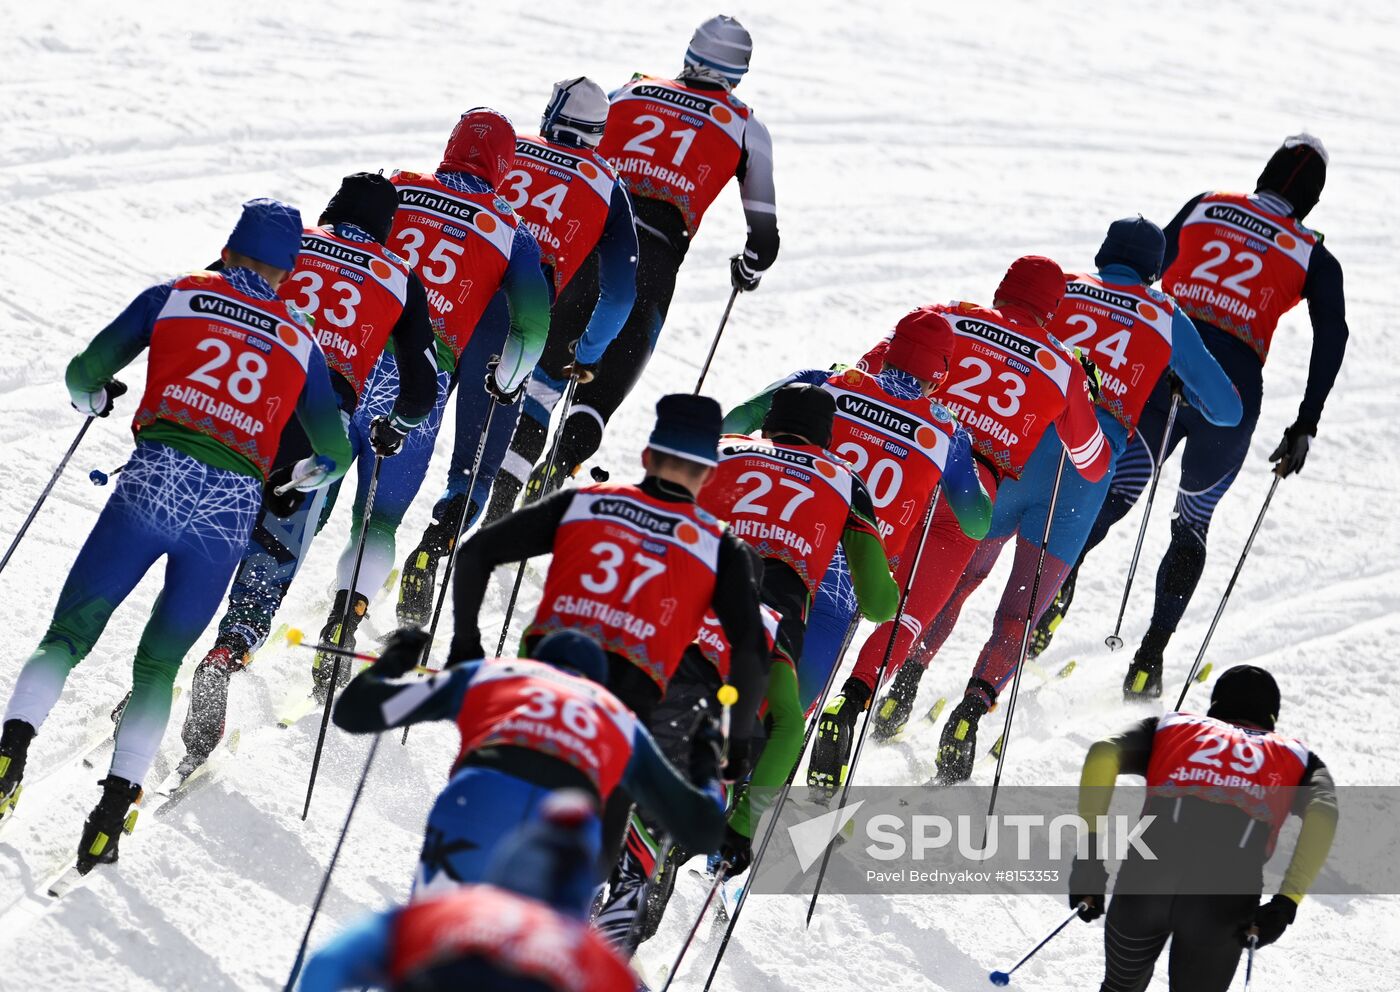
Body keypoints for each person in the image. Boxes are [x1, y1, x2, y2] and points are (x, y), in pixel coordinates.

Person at [0, 200, 351, 873]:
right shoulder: (300, 337)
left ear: (229, 247)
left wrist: (95, 399)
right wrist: (296, 476)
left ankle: (8, 753)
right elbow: (334, 453)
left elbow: (82, 375)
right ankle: (110, 813)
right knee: (158, 665)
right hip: (225, 514)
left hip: (151, 487)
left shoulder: (177, 294)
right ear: (287, 271)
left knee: (67, 635)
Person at [897, 219, 1242, 782]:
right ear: (1156, 271)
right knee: (1021, 612)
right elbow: (1227, 410)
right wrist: (1174, 382)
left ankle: (906, 678)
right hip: (1084, 473)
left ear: (1103, 253)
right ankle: (972, 708)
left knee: (959, 576)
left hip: (1019, 444)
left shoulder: (1065, 288)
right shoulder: (1164, 315)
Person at [1034, 135, 1349, 697]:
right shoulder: (1313, 254)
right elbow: (1333, 335)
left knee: (1110, 487)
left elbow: (1147, 267)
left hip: (1159, 358)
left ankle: (1058, 585)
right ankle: (1149, 657)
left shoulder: (1207, 203)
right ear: (1312, 201)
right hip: (1232, 386)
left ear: (1265, 172)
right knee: (1192, 522)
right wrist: (1306, 421)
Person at [812, 256, 1110, 788]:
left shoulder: (947, 316)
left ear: (1002, 287)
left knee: (848, 588)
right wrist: (1078, 397)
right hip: (973, 496)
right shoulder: (1062, 365)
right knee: (909, 611)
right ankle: (854, 698)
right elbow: (1092, 461)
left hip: (908, 466)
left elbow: (872, 371)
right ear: (1053, 308)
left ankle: (800, 702)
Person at [177, 174, 438, 770]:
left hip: (242, 406)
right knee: (274, 551)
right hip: (318, 432)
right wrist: (397, 426)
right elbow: (421, 386)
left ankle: (158, 667)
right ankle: (227, 652)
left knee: (210, 539)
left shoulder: (289, 245)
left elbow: (197, 295)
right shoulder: (398, 275)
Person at [310, 108, 551, 686]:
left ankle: (237, 623)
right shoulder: (509, 229)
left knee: (306, 496)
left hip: (350, 354)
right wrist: (508, 378)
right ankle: (347, 614)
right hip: (418, 379)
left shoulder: (400, 185)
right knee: (378, 518)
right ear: (504, 165)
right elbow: (532, 328)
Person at [400, 78, 640, 623]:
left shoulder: (512, 145)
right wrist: (591, 348)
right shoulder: (608, 183)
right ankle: (434, 547)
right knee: (475, 466)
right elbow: (622, 289)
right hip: (516, 322)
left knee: (398, 420)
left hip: (452, 297)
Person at [516, 15, 781, 488]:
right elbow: (764, 239)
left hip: (592, 240)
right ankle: (556, 469)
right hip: (654, 261)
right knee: (599, 391)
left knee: (546, 378)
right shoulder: (745, 124)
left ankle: (500, 493)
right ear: (739, 71)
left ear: (690, 54)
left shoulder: (632, 89)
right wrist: (749, 267)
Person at [720, 309, 993, 768]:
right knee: (779, 726)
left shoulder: (822, 382)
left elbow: (734, 419)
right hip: (841, 587)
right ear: (940, 374)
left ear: (889, 349)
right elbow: (977, 523)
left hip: (767, 544)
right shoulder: (947, 430)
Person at [333, 628, 724, 895]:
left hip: (474, 808)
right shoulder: (620, 718)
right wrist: (706, 762)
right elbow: (702, 832)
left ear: (537, 661)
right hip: (561, 844)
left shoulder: (492, 673)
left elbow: (352, 713)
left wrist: (393, 660)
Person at [1070, 665, 1337, 991]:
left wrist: (1088, 856)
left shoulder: (1173, 725)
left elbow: (1103, 752)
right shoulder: (1296, 755)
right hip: (1223, 896)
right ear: (1271, 718)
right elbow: (1324, 812)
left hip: (1147, 877)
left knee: (1120, 986)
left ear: (1216, 705)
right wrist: (1286, 903)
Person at [299, 790, 637, 992]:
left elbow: (328, 962)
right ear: (582, 890)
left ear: (507, 860)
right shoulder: (600, 960)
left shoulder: (449, 909)